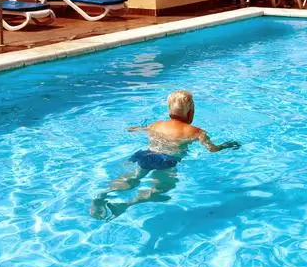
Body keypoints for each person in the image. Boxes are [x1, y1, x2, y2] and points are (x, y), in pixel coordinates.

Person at [90, 90, 239, 221]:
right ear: (191, 113)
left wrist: (134, 128)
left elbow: (136, 129)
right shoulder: (196, 131)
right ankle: (126, 204)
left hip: (145, 155)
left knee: (133, 178)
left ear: (169, 111)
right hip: (166, 160)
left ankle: (104, 193)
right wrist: (226, 145)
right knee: (161, 189)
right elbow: (212, 149)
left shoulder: (156, 124)